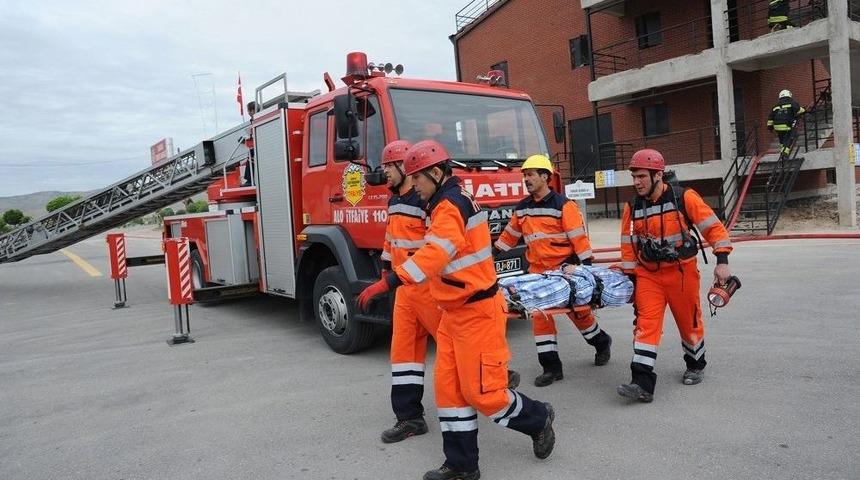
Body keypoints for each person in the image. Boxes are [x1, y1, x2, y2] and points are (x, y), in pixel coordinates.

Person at [358, 140, 555, 480]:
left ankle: (538, 418)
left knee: (484, 394)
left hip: (476, 313)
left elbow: (436, 252)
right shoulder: (441, 202)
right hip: (454, 314)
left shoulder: (449, 206)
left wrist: (390, 282)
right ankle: (462, 466)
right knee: (449, 393)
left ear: (436, 173)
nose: (414, 185)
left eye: (418, 178)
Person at [374, 140, 521, 445]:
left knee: (458, 357)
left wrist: (395, 279)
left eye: (390, 166)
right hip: (406, 291)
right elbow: (392, 240)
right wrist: (386, 269)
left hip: (431, 288)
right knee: (403, 358)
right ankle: (409, 417)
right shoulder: (398, 202)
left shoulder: (433, 204)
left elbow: (438, 249)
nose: (385, 172)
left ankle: (497, 377)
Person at [617, 149, 733, 403]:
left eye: (641, 177)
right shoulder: (632, 206)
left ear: (658, 175)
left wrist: (722, 260)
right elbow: (627, 244)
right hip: (648, 275)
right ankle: (642, 383)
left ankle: (695, 364)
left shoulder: (684, 197)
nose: (636, 182)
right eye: (634, 177)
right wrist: (630, 277)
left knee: (688, 323)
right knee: (645, 325)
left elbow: (713, 227)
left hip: (682, 272)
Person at [494, 154, 612, 387]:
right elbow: (509, 237)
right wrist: (490, 255)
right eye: (524, 175)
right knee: (541, 319)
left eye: (530, 175)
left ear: (545, 177)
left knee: (580, 315)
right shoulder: (523, 208)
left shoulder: (563, 206)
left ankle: (601, 342)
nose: (526, 179)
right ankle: (551, 368)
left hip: (563, 272)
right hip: (538, 273)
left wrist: (586, 270)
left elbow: (579, 239)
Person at [767, 90, 805, 157]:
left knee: (781, 138)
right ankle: (785, 151)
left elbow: (770, 117)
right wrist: (805, 110)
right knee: (789, 136)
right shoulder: (792, 103)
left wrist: (770, 127)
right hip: (787, 125)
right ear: (789, 95)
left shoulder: (775, 106)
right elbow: (798, 110)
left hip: (777, 127)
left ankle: (782, 148)